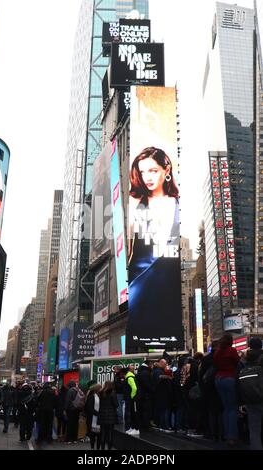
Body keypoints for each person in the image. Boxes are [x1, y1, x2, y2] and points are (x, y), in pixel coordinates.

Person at [127, 147, 181, 352]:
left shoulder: (178, 204)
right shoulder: (136, 209)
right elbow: (131, 255)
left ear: (166, 170)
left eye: (153, 170)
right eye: (142, 172)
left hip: (168, 288)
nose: (147, 177)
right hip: (140, 287)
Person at [213, 333, 240, 446]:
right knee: (232, 408)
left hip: (218, 379)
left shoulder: (217, 352)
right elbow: (238, 362)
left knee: (226, 408)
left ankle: (226, 435)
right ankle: (232, 437)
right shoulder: (231, 350)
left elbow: (215, 364)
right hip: (229, 378)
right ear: (230, 341)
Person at [98, 381, 118, 450]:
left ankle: (102, 448)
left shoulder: (101, 392)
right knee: (110, 434)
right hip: (111, 415)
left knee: (103, 433)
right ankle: (109, 448)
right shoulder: (113, 393)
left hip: (102, 415)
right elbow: (116, 404)